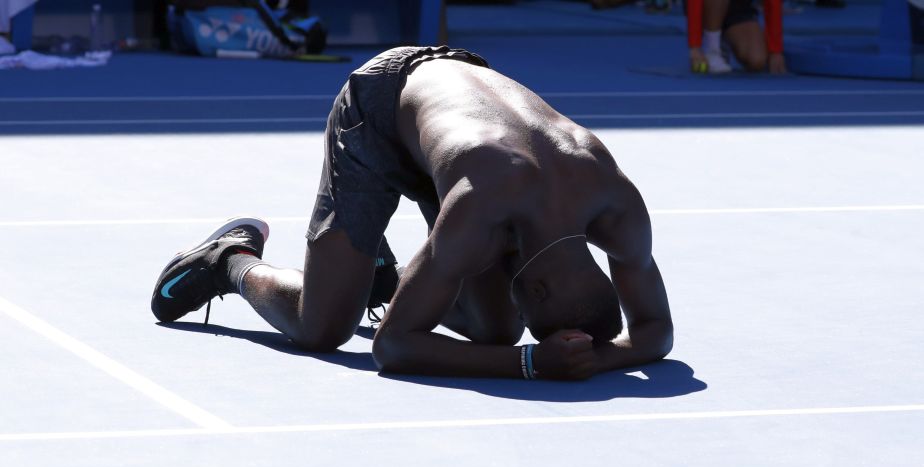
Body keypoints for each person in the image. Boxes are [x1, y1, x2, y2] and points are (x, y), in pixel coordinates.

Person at [151, 46, 673, 381]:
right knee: (323, 329)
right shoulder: (482, 209)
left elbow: (656, 331)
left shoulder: (619, 207)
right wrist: (533, 362)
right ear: (535, 290)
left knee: (493, 330)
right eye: (530, 314)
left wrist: (600, 357)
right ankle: (231, 260)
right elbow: (393, 347)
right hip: (381, 107)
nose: (524, 321)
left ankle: (381, 277)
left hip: (463, 138)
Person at [687, 0, 786, 74]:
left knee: (757, 60)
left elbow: (773, 3)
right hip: (707, 3)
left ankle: (722, 37)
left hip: (737, 6)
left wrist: (775, 50)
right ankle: (712, 48)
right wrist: (695, 46)